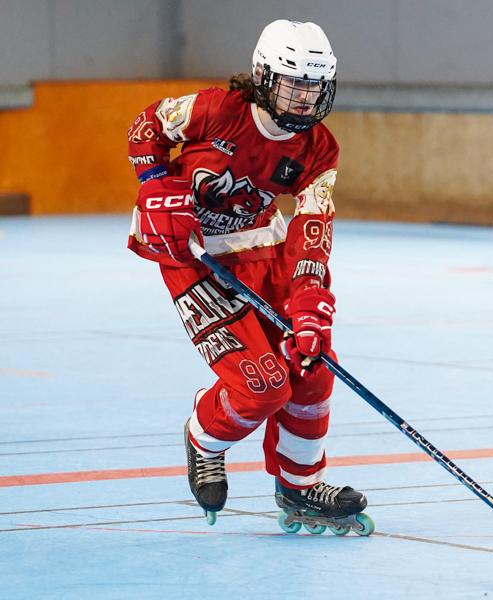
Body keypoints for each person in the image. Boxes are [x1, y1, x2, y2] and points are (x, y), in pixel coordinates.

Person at [125, 20, 372, 535]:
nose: (304, 101)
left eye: (315, 89)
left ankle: (301, 484)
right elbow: (146, 127)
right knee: (263, 387)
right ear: (263, 77)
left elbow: (312, 224)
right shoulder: (214, 109)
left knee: (313, 364)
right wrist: (153, 181)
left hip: (263, 248)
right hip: (190, 257)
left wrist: (309, 298)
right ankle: (204, 437)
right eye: (292, 86)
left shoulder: (319, 149)